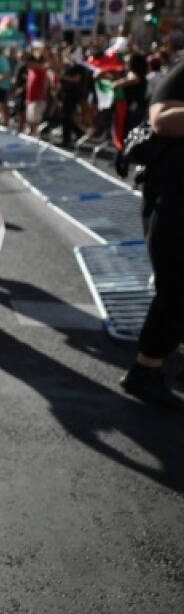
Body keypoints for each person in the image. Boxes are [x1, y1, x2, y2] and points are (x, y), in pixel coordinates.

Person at [121, 60, 184, 410]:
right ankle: (146, 369)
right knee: (176, 286)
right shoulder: (181, 74)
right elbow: (161, 120)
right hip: (174, 196)